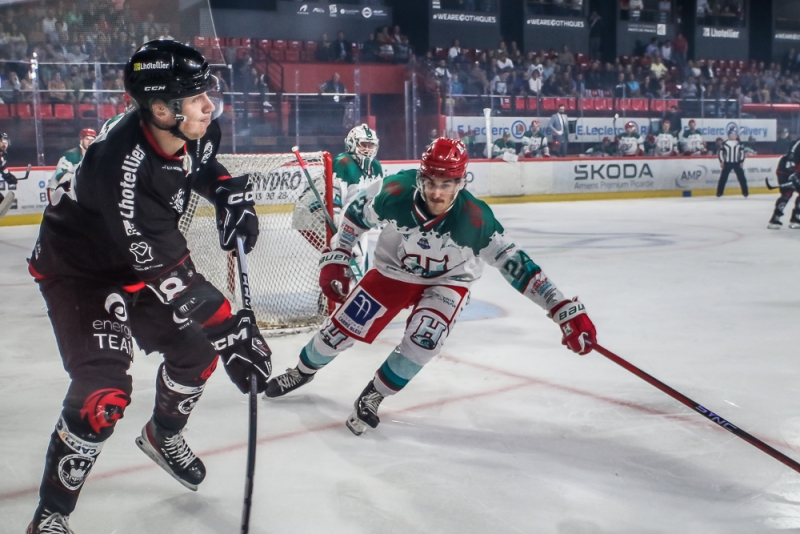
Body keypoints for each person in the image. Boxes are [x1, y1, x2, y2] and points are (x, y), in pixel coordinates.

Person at [25, 40, 272, 533]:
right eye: (197, 96)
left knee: (197, 353)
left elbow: (197, 166)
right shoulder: (121, 168)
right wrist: (230, 329)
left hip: (136, 263)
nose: (210, 104)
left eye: (208, 92)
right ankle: (50, 516)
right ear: (161, 108)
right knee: (103, 392)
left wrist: (223, 189)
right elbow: (169, 274)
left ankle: (163, 434)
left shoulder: (193, 128)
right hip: (82, 273)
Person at [263, 138, 597, 436]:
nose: (437, 193)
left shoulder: (475, 220)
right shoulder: (393, 191)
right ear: (421, 177)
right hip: (393, 272)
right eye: (431, 182)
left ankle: (375, 394)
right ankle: (302, 371)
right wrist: (338, 253)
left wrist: (560, 308)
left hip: (450, 280)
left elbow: (518, 266)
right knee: (339, 332)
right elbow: (354, 217)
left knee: (425, 339)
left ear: (460, 181)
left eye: (447, 184)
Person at [294, 124, 383, 273]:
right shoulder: (343, 163)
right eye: (363, 145)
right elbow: (334, 199)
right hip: (332, 215)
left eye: (371, 145)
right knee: (347, 257)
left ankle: (350, 289)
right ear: (352, 144)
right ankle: (341, 289)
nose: (368, 150)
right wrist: (340, 226)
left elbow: (376, 198)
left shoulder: (376, 167)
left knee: (361, 261)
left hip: (359, 218)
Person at [48, 128, 97, 205]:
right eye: (87, 139)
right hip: (58, 191)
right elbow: (60, 175)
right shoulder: (70, 155)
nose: (90, 142)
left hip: (76, 192)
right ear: (81, 140)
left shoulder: (94, 157)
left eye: (92, 139)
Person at [768, 146, 800, 229]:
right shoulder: (797, 143)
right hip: (785, 172)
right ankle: (775, 218)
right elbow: (791, 157)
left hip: (795, 172)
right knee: (787, 194)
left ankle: (796, 218)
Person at [716, 126, 748, 197]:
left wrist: (741, 161)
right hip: (727, 163)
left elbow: (742, 153)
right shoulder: (724, 143)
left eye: (734, 134)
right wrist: (721, 161)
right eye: (731, 134)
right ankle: (719, 192)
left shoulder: (739, 143)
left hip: (737, 162)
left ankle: (745, 192)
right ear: (729, 135)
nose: (733, 136)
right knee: (723, 178)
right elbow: (720, 153)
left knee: (742, 178)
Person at [0, 132, 19, 219]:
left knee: (1, 201)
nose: (4, 144)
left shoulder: (4, 155)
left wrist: (7, 175)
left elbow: (1, 167)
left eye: (6, 141)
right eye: (2, 141)